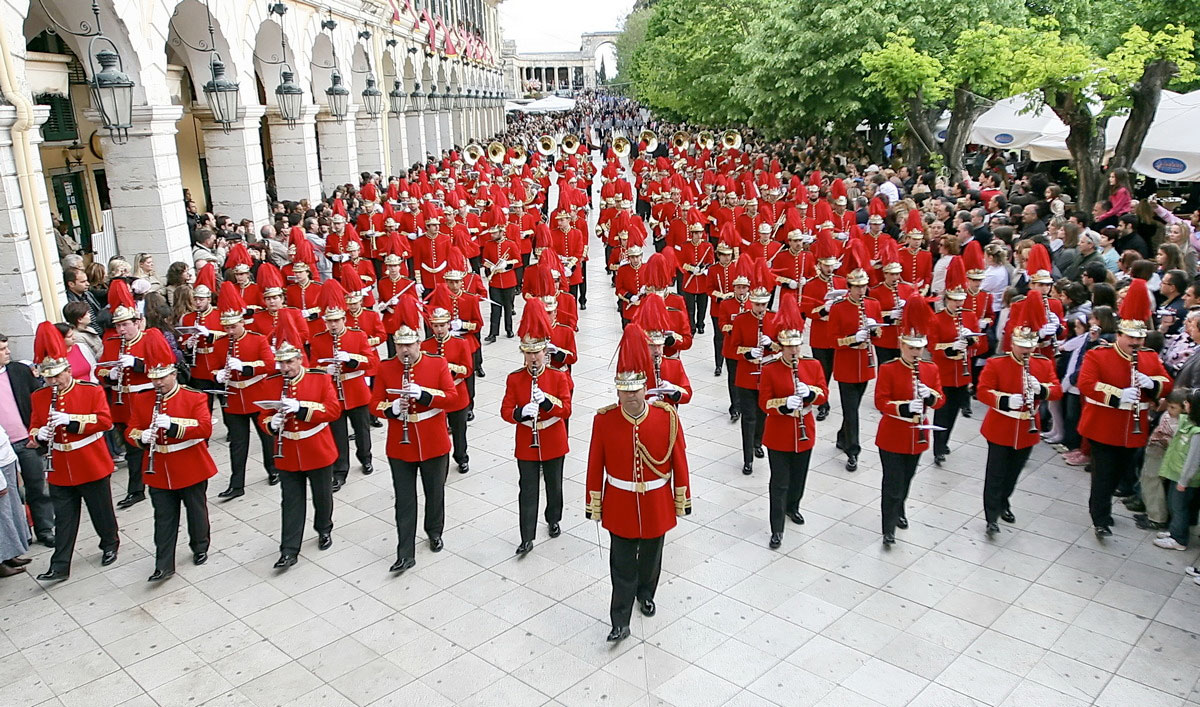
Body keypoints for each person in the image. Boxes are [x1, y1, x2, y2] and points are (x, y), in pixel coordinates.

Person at [586, 322, 691, 643]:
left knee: (651, 556)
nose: (630, 397)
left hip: (656, 500)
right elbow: (595, 464)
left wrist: (681, 497)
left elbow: (679, 461)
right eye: (624, 391)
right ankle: (619, 618)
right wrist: (594, 502)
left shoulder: (666, 417)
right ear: (616, 391)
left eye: (635, 390)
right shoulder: (604, 420)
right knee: (620, 562)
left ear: (645, 388)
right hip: (619, 501)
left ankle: (647, 593)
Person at [1078, 278, 1173, 538]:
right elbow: (1086, 384)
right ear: (1119, 335)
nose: (1135, 343)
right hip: (1104, 424)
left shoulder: (1150, 358)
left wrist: (1151, 383)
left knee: (1120, 473)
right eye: (1130, 337)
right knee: (1103, 474)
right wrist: (1118, 395)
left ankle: (1104, 507)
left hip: (1134, 428)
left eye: (1139, 338)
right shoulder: (1099, 355)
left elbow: (1167, 382)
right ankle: (1100, 517)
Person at [370, 298, 459, 574]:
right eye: (399, 345)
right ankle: (404, 551)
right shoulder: (386, 368)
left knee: (435, 493)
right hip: (401, 444)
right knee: (404, 499)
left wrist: (426, 395)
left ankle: (434, 530)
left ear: (419, 343)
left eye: (409, 345)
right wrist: (393, 408)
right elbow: (374, 404)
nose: (404, 351)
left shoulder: (437, 363)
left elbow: (452, 397)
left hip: (433, 439)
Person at [29, 322, 120, 582]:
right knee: (65, 518)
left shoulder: (88, 390)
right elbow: (33, 426)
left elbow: (105, 422)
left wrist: (71, 420)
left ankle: (110, 544)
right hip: (59, 465)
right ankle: (59, 565)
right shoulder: (39, 396)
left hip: (89, 459)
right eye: (48, 377)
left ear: (68, 370)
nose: (53, 382)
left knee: (100, 511)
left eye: (57, 375)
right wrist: (39, 435)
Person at [124, 333, 216, 581]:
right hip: (158, 468)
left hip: (189, 463)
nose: (158, 383)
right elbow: (130, 429)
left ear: (174, 374)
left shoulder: (194, 397)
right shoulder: (143, 399)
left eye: (162, 377)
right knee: (163, 518)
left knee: (196, 511)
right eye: (154, 378)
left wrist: (174, 426)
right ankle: (163, 564)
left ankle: (200, 546)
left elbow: (205, 428)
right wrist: (141, 437)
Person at [256, 316, 339, 569]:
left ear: (300, 359)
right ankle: (289, 549)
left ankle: (324, 527)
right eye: (281, 362)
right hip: (287, 451)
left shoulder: (319, 379)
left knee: (322, 496)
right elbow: (263, 417)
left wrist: (301, 409)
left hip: (316, 447)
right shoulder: (271, 383)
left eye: (290, 362)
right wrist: (272, 425)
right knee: (290, 501)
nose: (285, 367)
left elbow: (333, 411)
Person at [977, 295, 1062, 535]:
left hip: (1027, 426)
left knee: (1013, 473)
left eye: (1030, 345)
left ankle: (1004, 501)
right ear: (1012, 343)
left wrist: (1041, 389)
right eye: (1022, 345)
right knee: (995, 473)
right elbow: (983, 392)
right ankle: (991, 514)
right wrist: (1005, 400)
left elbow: (1056, 390)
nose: (1026, 350)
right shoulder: (997, 363)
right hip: (1001, 424)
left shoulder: (1043, 364)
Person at [501, 299, 573, 554]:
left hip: (553, 436)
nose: (532, 357)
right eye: (528, 353)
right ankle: (526, 536)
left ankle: (553, 518)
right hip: (526, 441)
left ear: (545, 352)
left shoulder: (557, 376)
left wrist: (547, 402)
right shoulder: (515, 379)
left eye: (537, 352)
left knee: (554, 485)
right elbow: (505, 411)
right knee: (527, 488)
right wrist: (521, 413)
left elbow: (566, 409)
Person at [758, 296, 827, 549]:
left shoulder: (812, 365)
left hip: (804, 431)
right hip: (778, 432)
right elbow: (765, 403)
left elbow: (823, 393)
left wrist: (810, 395)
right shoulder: (771, 368)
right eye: (789, 347)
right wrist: (784, 404)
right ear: (781, 347)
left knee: (799, 477)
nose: (794, 351)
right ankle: (777, 527)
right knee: (779, 481)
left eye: (797, 346)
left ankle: (793, 506)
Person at [874, 298, 944, 545]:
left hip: (918, 435)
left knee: (907, 478)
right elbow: (881, 402)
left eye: (919, 349)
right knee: (892, 482)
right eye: (912, 349)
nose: (916, 353)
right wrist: (903, 407)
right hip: (893, 434)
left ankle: (900, 508)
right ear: (902, 346)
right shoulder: (889, 368)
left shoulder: (930, 369)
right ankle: (888, 527)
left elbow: (940, 399)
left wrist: (930, 396)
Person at [95, 280, 163, 510]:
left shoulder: (148, 339)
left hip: (145, 396)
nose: (122, 330)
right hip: (123, 402)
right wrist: (111, 373)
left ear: (137, 322)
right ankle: (136, 490)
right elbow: (100, 369)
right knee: (132, 446)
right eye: (119, 325)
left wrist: (137, 364)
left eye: (125, 325)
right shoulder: (113, 342)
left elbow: (163, 366)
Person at [310, 280, 380, 491]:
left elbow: (371, 361)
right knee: (337, 433)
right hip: (333, 393)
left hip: (355, 389)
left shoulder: (357, 336)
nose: (333, 325)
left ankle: (365, 456)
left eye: (336, 321)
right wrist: (325, 371)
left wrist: (351, 359)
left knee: (362, 429)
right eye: (329, 321)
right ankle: (340, 471)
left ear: (343, 319)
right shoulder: (319, 340)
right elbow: (313, 367)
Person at [211, 282, 278, 498]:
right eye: (226, 327)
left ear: (242, 322)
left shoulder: (256, 339)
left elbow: (269, 364)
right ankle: (236, 483)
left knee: (266, 436)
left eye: (233, 327)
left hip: (256, 392)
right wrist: (218, 375)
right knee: (238, 444)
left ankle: (274, 470)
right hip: (233, 398)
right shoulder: (221, 343)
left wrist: (247, 367)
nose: (229, 331)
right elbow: (212, 366)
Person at [930, 258, 987, 465]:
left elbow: (980, 345)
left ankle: (945, 440)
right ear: (947, 299)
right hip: (944, 372)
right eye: (954, 300)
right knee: (941, 411)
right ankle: (937, 447)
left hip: (962, 373)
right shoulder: (937, 318)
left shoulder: (969, 316)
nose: (958, 304)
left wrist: (971, 340)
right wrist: (951, 348)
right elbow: (933, 347)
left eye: (960, 300)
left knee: (953, 411)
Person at [829, 253, 882, 472]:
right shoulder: (839, 307)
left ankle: (843, 436)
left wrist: (875, 329)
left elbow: (880, 334)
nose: (862, 291)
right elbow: (833, 339)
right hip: (847, 364)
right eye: (857, 287)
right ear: (849, 287)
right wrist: (853, 339)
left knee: (854, 407)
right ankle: (853, 451)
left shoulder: (873, 304)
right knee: (852, 411)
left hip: (866, 365)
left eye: (864, 287)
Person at [0, 334, 54, 546]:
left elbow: (38, 401)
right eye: (2, 349)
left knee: (37, 486)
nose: (8, 352)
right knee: (10, 493)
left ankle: (45, 528)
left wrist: (37, 432)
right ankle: (20, 534)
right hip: (2, 447)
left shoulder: (19, 371)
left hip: (26, 439)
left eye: (7, 347)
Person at [728, 264, 777, 474]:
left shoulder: (773, 319)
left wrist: (771, 344)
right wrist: (748, 352)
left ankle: (758, 442)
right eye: (757, 304)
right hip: (746, 376)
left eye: (763, 305)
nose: (760, 308)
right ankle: (747, 457)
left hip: (766, 375)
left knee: (762, 414)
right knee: (748, 417)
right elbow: (733, 347)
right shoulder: (741, 320)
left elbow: (782, 347)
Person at [421, 286, 474, 474]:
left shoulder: (460, 343)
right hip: (437, 395)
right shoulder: (425, 345)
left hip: (457, 393)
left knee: (459, 431)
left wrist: (450, 368)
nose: (439, 329)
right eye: (435, 326)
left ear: (448, 324)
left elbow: (467, 369)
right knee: (438, 432)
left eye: (442, 325)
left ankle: (461, 457)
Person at [1153, 389, 1200, 550]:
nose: (1185, 404)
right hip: (1176, 473)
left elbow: (1193, 461)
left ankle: (1179, 539)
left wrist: (1184, 481)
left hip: (1185, 478)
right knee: (1174, 505)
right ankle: (1175, 530)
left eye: (1188, 403)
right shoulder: (1188, 422)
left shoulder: (1197, 433)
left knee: (1179, 507)